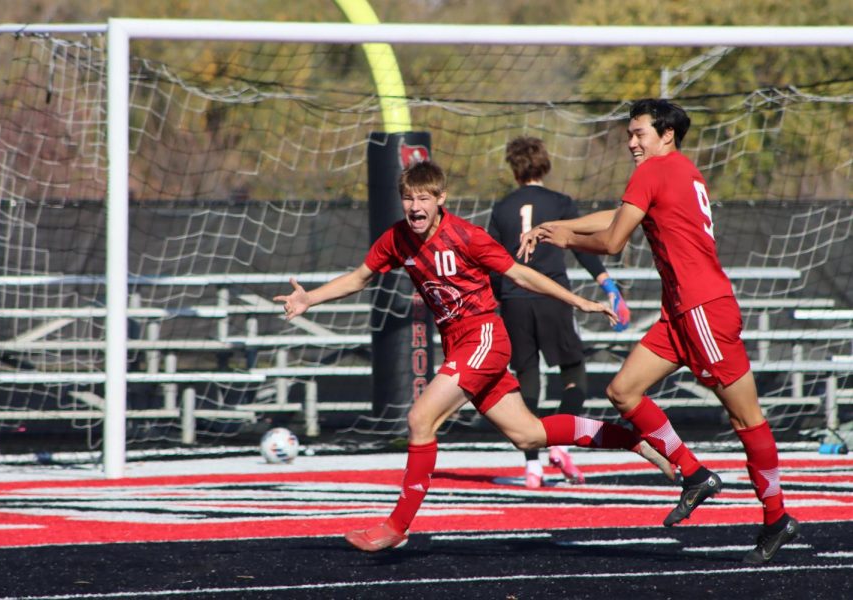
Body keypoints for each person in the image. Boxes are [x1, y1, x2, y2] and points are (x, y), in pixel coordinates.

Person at [275, 159, 674, 553]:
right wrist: (310, 297)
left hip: (483, 336)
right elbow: (360, 277)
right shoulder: (397, 239)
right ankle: (633, 440)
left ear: (441, 199)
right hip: (460, 344)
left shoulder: (466, 235)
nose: (416, 206)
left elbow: (519, 273)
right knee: (529, 434)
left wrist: (578, 301)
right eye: (409, 198)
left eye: (424, 198)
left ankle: (396, 526)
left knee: (419, 419)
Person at [518, 98, 799, 564]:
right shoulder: (679, 169)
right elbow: (619, 216)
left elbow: (611, 240)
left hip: (703, 311)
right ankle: (693, 474)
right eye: (629, 134)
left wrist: (564, 237)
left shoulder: (653, 170)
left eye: (639, 133)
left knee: (746, 419)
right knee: (623, 391)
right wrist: (557, 226)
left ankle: (776, 517)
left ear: (666, 134)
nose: (631, 142)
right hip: (680, 313)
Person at [489, 136, 631, 488]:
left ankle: (532, 466)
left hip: (514, 300)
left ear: (513, 167)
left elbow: (491, 262)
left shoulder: (503, 207)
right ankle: (559, 443)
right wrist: (608, 286)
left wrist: (495, 303)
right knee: (574, 372)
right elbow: (582, 248)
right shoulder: (559, 202)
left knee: (526, 378)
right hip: (552, 296)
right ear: (545, 164)